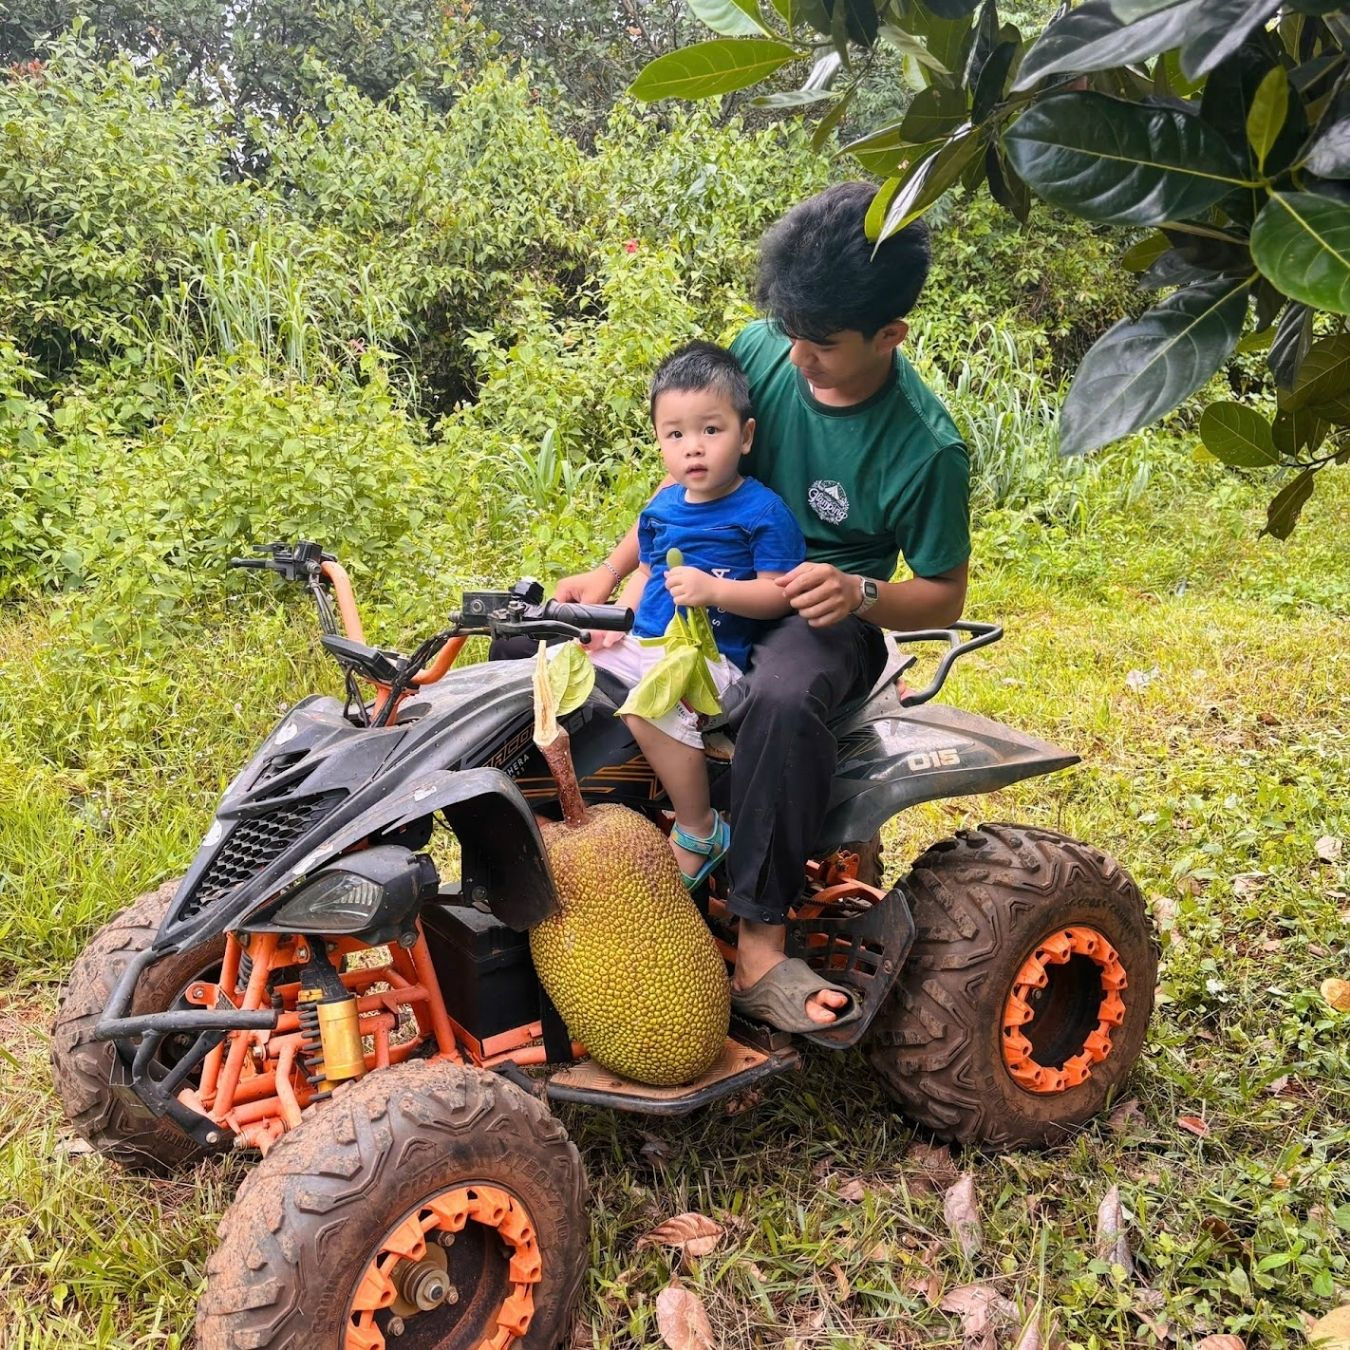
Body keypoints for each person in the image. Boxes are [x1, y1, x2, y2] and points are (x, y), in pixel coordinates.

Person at [557, 182, 971, 1032]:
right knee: (553, 651)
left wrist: (860, 592)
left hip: (820, 617)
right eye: (789, 332)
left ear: (889, 335)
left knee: (781, 699)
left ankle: (759, 943)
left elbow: (943, 592)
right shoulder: (765, 349)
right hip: (709, 587)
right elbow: (689, 479)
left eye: (822, 344)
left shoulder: (925, 448)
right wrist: (609, 574)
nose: (798, 357)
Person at [584, 340, 805, 886]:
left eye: (711, 429)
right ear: (659, 441)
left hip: (711, 659)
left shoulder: (763, 511)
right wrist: (615, 623)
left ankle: (699, 827)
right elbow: (646, 573)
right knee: (565, 674)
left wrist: (715, 591)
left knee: (650, 709)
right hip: (649, 642)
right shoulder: (662, 509)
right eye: (675, 435)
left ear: (745, 436)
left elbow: (780, 594)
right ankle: (591, 809)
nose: (694, 448)